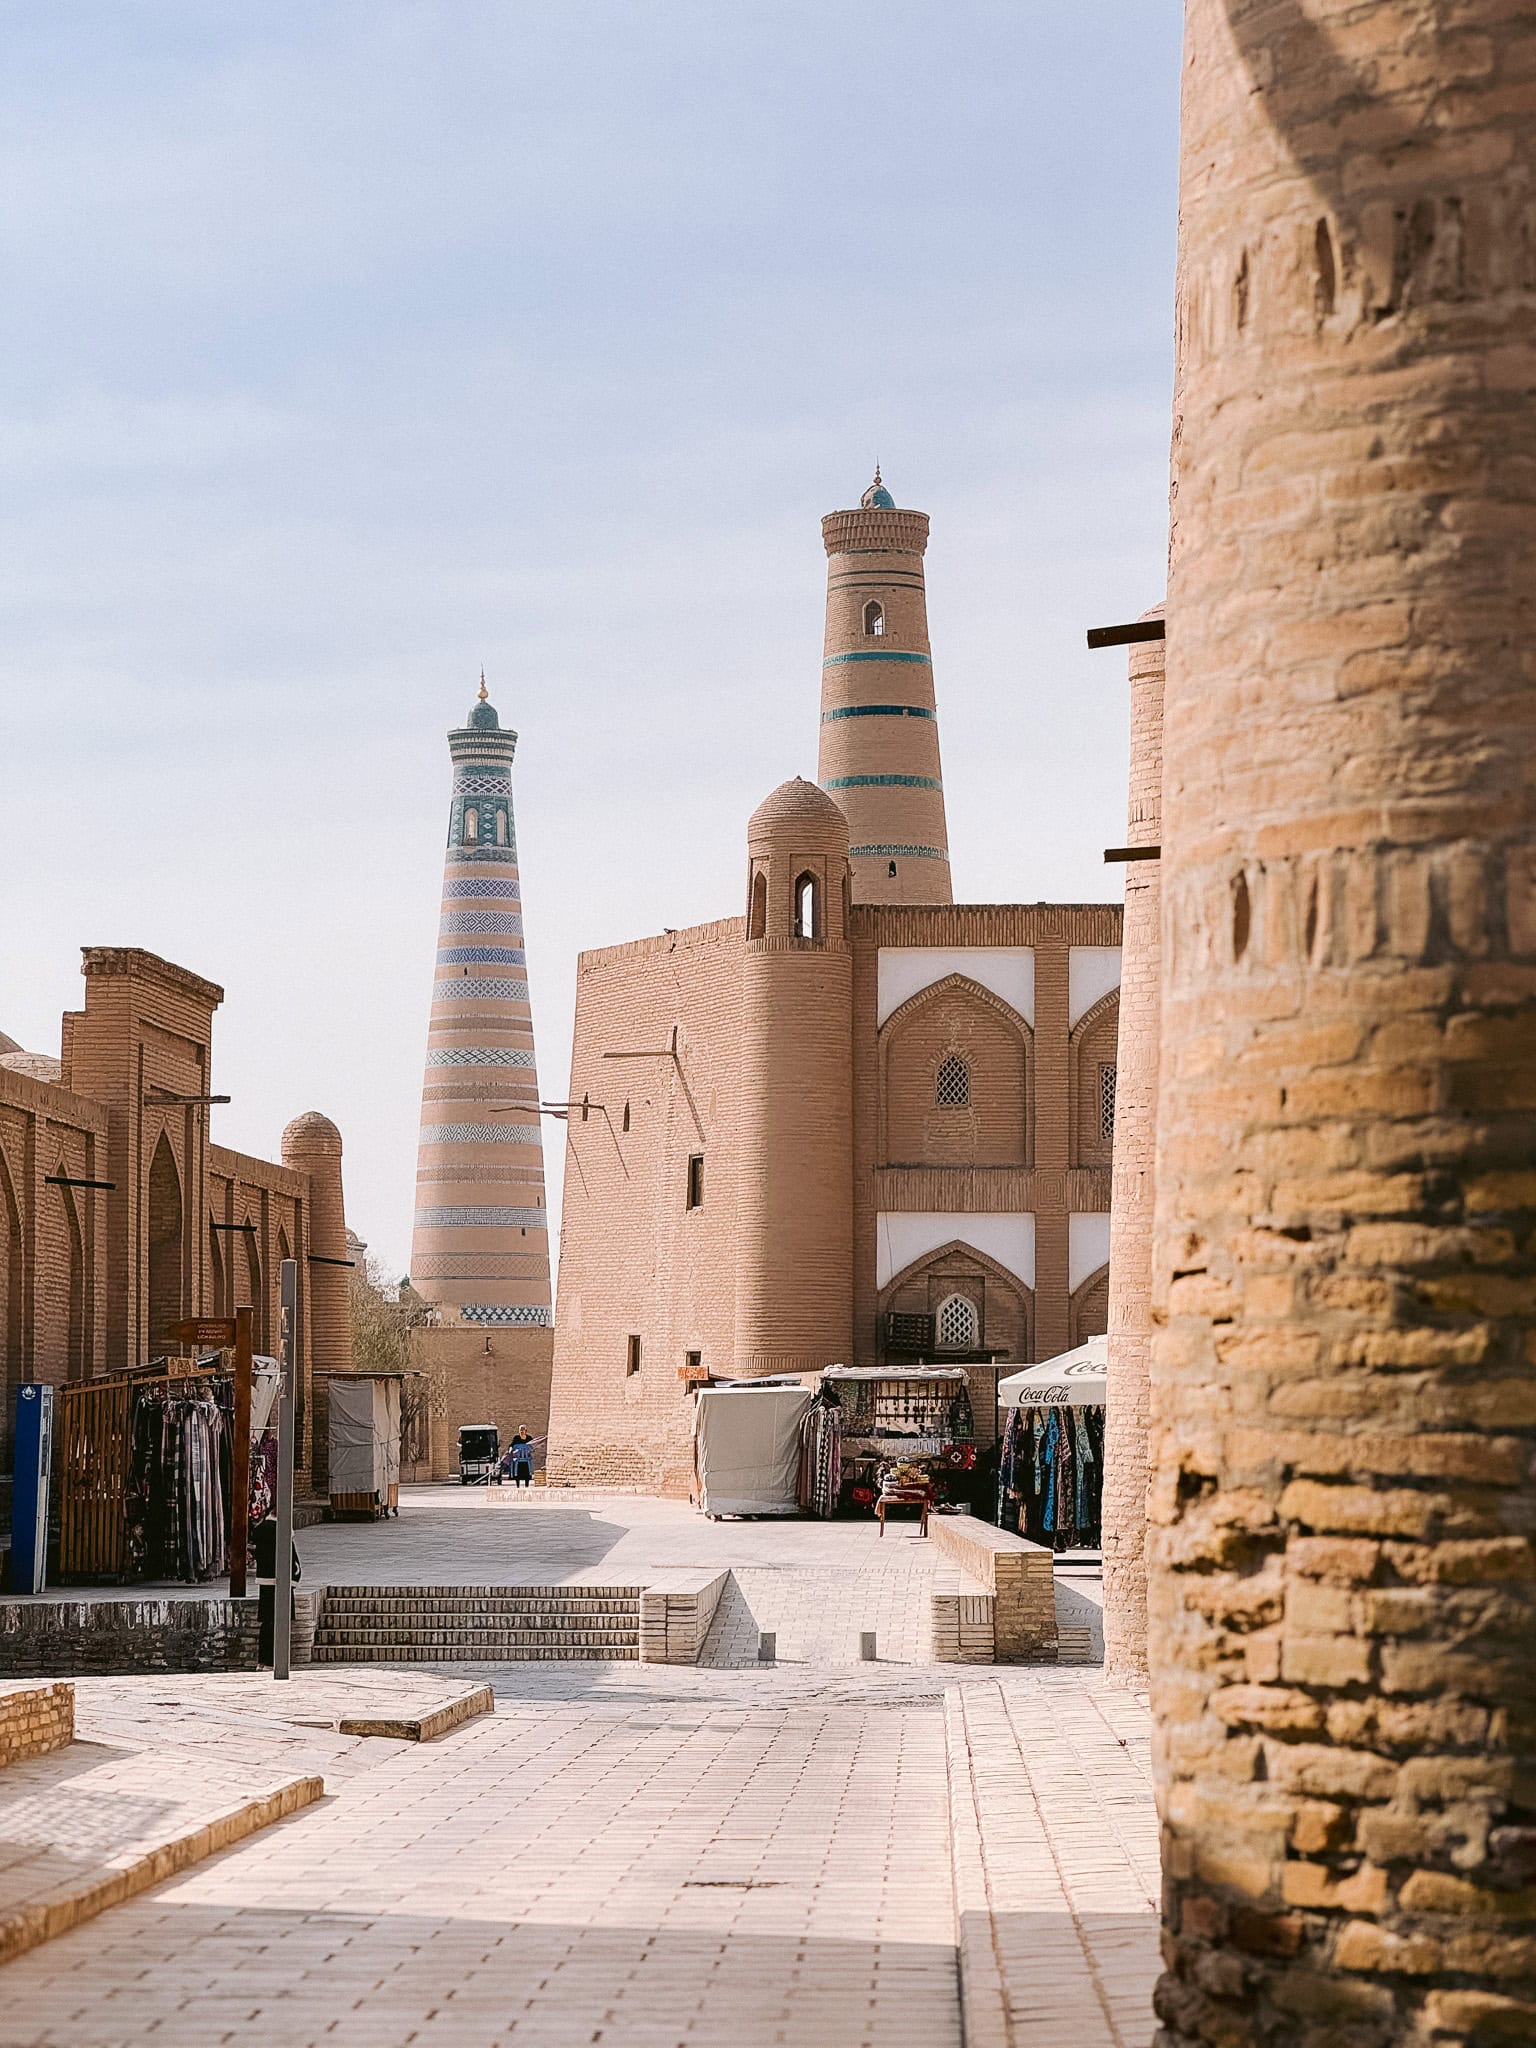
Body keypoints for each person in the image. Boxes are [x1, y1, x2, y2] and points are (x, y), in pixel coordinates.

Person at [253, 1512, 301, 1667]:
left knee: (266, 1623)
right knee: (281, 1622)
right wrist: (294, 1579)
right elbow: (293, 1562)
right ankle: (276, 1661)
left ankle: (262, 1661)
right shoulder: (284, 1529)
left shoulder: (259, 1529)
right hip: (283, 1581)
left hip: (265, 1581)